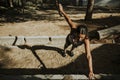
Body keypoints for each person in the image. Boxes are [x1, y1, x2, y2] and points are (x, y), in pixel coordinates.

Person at [58, 3, 94, 79]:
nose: (81, 39)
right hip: (70, 38)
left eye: (82, 38)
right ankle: (64, 50)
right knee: (66, 45)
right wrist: (62, 10)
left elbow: (88, 55)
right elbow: (68, 18)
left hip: (75, 42)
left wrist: (91, 71)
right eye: (79, 36)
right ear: (77, 32)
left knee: (75, 46)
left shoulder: (86, 39)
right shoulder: (73, 27)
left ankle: (71, 51)